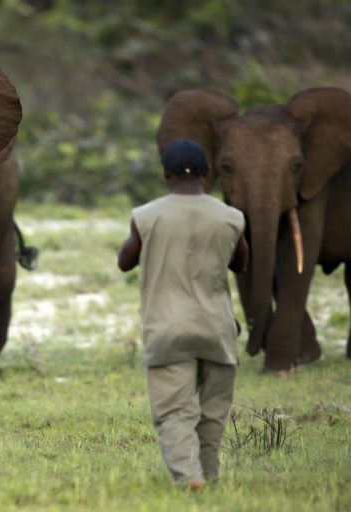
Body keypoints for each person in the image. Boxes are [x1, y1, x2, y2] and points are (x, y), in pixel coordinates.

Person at [117, 139, 248, 490]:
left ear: (166, 174)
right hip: (217, 329)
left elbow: (124, 261)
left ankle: (190, 477)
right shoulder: (231, 217)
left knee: (174, 412)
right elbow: (241, 262)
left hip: (167, 329)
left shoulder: (146, 216)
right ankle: (210, 474)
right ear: (207, 173)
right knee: (212, 414)